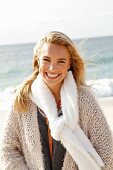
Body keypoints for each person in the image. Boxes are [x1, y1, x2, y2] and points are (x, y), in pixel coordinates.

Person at [0, 31, 113, 170]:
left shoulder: (84, 100)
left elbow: (107, 152)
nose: (52, 68)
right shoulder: (23, 98)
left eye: (61, 61)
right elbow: (7, 149)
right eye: (46, 60)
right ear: (37, 61)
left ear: (70, 64)